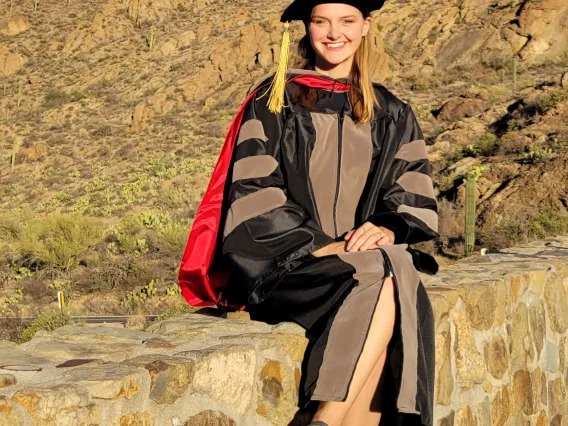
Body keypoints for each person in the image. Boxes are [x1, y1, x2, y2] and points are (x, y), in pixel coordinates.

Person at [178, 1, 439, 425]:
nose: (334, 33)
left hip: (359, 267)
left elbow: (411, 190)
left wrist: (387, 227)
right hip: (289, 266)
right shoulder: (277, 98)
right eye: (322, 21)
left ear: (366, 27)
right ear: (307, 27)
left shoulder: (390, 111)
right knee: (388, 274)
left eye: (347, 21)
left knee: (390, 262)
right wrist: (316, 246)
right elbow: (254, 189)